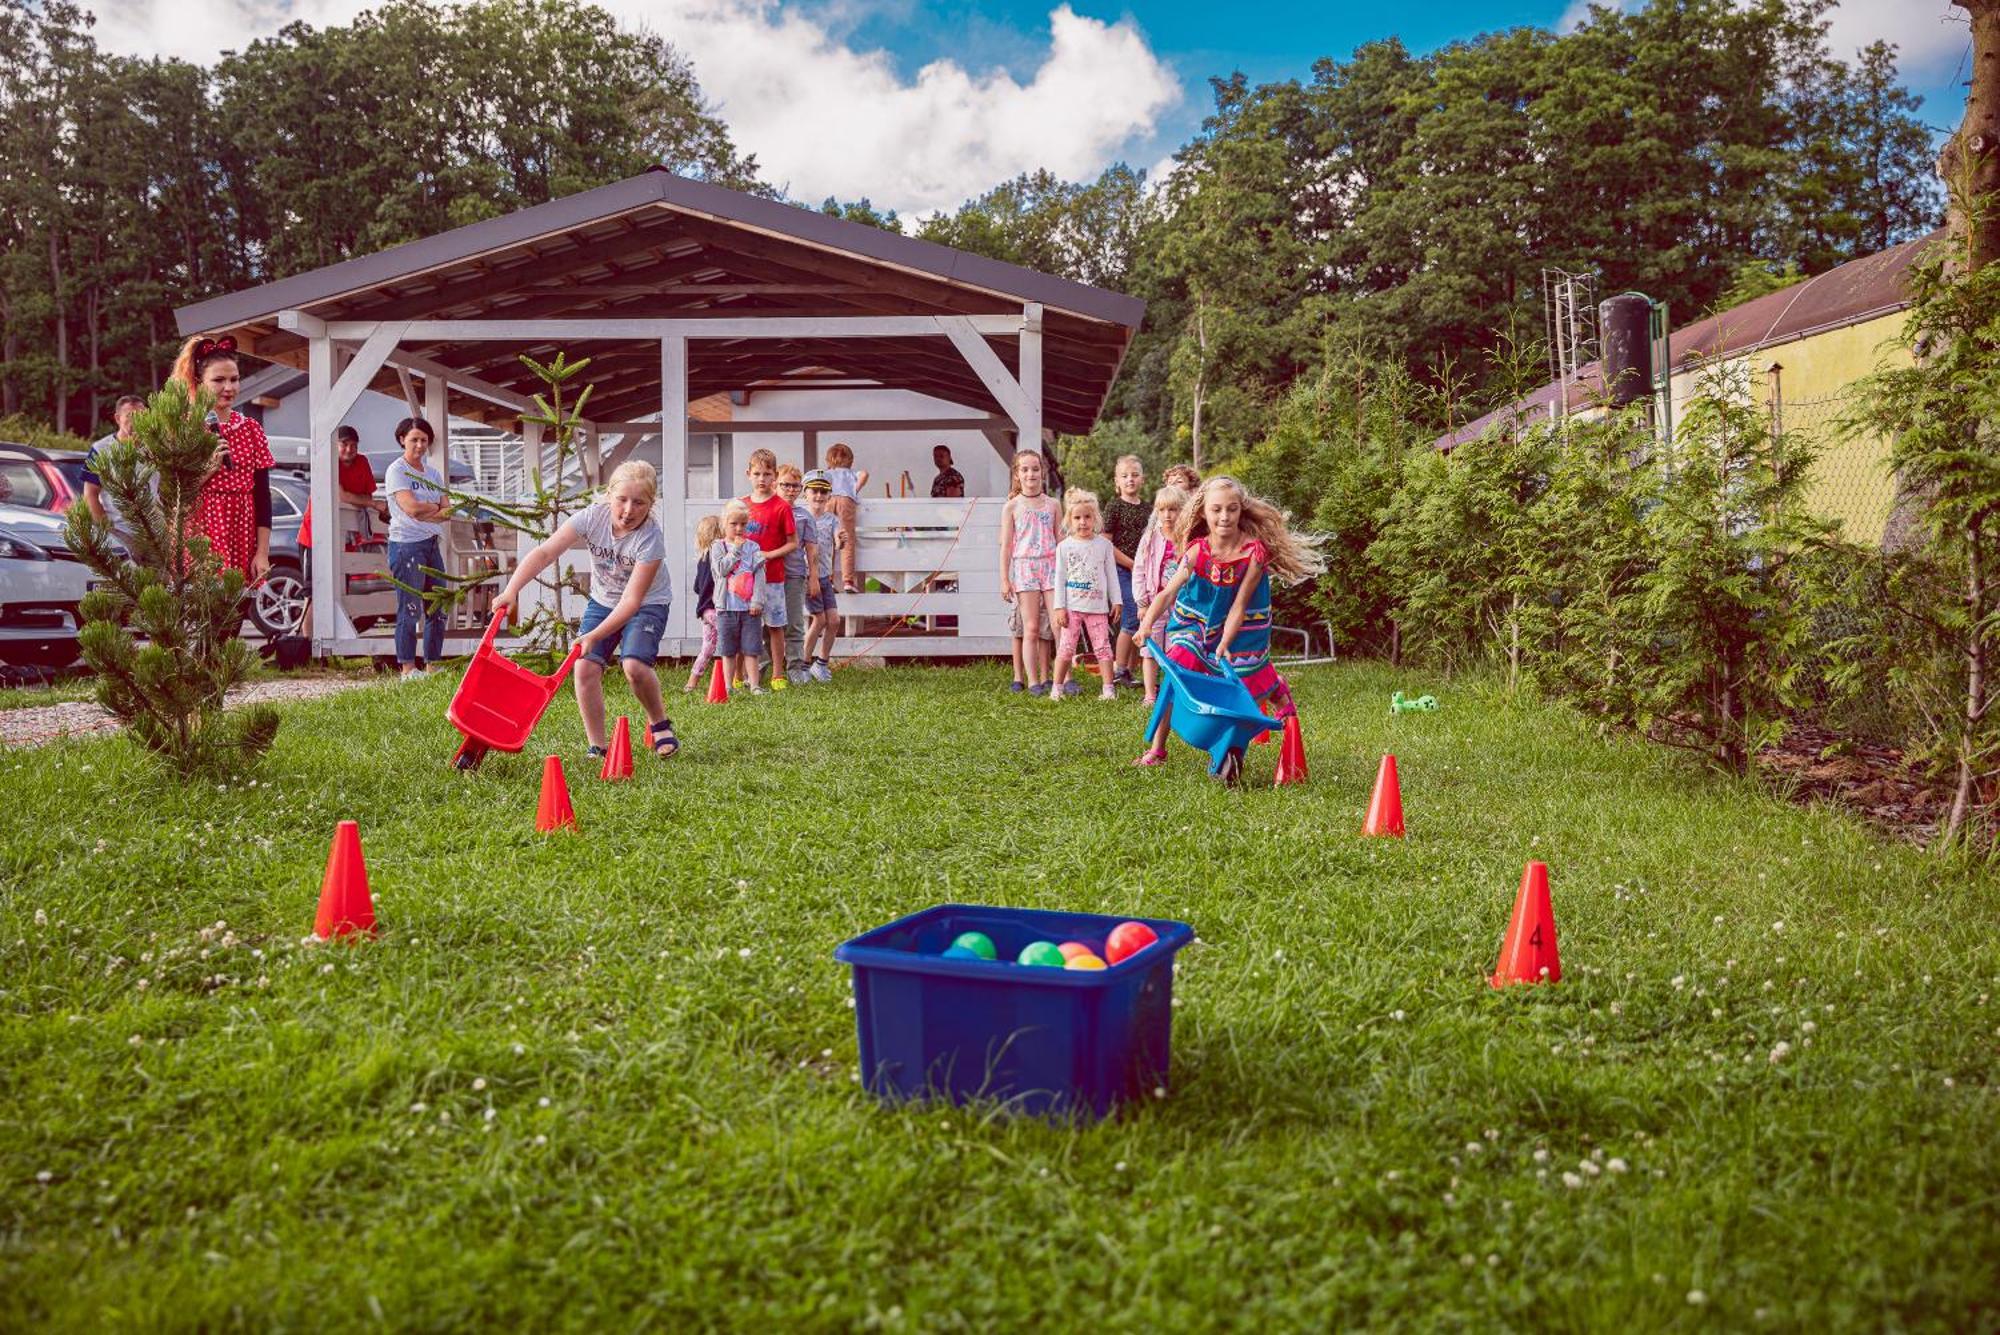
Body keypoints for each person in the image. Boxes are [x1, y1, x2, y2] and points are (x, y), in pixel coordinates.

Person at [1133, 476, 1325, 784]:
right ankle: (1158, 748)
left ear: (1241, 511)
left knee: (1244, 676)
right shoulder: (1197, 551)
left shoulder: (1254, 554)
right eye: (1216, 510)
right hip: (1194, 618)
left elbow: (1239, 605)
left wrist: (1225, 642)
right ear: (1203, 513)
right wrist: (1145, 626)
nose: (1224, 517)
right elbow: (1168, 593)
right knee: (1177, 669)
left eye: (1232, 509)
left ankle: (1275, 687)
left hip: (1243, 621)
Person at [494, 461, 679, 759]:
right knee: (584, 668)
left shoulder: (650, 539)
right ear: (609, 496)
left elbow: (632, 602)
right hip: (604, 600)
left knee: (633, 666)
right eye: (622, 500)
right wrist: (511, 590)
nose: (628, 510)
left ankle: (659, 723)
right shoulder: (593, 517)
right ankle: (598, 747)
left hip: (647, 604)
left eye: (639, 503)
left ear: (650, 504)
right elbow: (545, 552)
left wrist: (593, 635)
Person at [171, 335, 274, 586]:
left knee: (235, 615)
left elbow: (262, 494)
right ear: (199, 381)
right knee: (205, 612)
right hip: (201, 530)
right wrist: (208, 469)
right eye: (218, 380)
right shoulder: (185, 427)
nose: (228, 387)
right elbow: (172, 494)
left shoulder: (251, 428)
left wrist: (262, 552)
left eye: (234, 379)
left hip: (242, 531)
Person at [383, 416, 455, 679]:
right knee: (410, 607)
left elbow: (449, 511)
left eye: (424, 440)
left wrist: (432, 511)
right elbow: (411, 509)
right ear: (403, 439)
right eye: (414, 439)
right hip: (407, 545)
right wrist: (434, 508)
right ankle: (407, 667)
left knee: (438, 605)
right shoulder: (397, 470)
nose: (419, 445)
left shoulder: (433, 473)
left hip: (432, 544)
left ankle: (433, 664)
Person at [1049, 489, 1122, 702]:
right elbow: (1059, 578)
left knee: (1103, 647)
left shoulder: (1104, 545)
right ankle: (1057, 688)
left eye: (1087, 517)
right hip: (1071, 608)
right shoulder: (1064, 547)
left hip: (1097, 608)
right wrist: (1059, 607)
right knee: (1065, 647)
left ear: (1095, 518)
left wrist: (1116, 600)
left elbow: (1111, 575)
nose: (1083, 522)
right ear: (1070, 520)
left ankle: (1108, 689)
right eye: (1077, 517)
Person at [999, 449, 1060, 696]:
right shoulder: (1012, 506)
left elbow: (1060, 539)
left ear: (1042, 472)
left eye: (1035, 468)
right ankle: (1033, 681)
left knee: (1058, 624)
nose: (1030, 473)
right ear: (1017, 474)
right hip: (1025, 568)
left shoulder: (1053, 504)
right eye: (1024, 469)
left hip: (1051, 566)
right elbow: (1006, 545)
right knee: (1031, 628)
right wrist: (1004, 578)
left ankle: (1062, 677)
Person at [739, 449, 798, 689]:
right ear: (748, 474)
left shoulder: (781, 507)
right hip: (745, 580)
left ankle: (777, 673)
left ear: (774, 476)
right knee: (744, 626)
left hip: (773, 578)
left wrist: (768, 555)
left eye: (767, 474)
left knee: (775, 626)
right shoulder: (741, 505)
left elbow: (792, 543)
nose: (762, 479)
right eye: (757, 474)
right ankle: (743, 674)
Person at [1131, 483, 1188, 707]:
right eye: (1163, 510)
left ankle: (1173, 692)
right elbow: (1139, 569)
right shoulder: (1150, 539)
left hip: (1180, 603)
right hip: (1154, 602)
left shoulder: (1187, 538)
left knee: (1177, 649)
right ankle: (1150, 694)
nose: (1167, 515)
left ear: (1182, 511)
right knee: (1150, 649)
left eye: (1173, 510)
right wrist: (1142, 602)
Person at [709, 499, 768, 694]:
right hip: (726, 608)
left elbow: (760, 575)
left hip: (749, 608)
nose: (739, 528)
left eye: (743, 524)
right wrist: (735, 550)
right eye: (733, 524)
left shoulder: (754, 548)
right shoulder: (718, 547)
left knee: (751, 648)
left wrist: (757, 600)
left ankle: (754, 685)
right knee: (728, 649)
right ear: (724, 524)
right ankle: (728, 685)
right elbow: (720, 570)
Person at [1103, 454, 1150, 690]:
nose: (1130, 479)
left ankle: (1130, 670)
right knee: (1131, 616)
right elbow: (1106, 544)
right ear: (1117, 482)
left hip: (1144, 572)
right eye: (1124, 476)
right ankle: (1118, 669)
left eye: (1134, 475)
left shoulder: (1149, 510)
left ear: (1142, 479)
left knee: (1142, 619)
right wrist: (1132, 564)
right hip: (1122, 570)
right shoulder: (1114, 507)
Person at [80, 394, 145, 528]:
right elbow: (90, 494)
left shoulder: (156, 447)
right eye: (130, 416)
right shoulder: (100, 449)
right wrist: (107, 531)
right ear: (118, 418)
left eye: (142, 415)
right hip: (121, 531)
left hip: (156, 534)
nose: (137, 421)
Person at [801, 469, 841, 682]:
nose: (818, 496)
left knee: (834, 621)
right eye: (814, 491)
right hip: (809, 577)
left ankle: (821, 663)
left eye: (823, 492)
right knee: (819, 619)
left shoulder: (832, 519)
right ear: (805, 493)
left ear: (829, 496)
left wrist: (841, 540)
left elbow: (838, 539)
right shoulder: (801, 517)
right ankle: (803, 664)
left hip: (825, 577)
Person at [776, 464, 814, 685]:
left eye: (795, 486)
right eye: (785, 485)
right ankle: (765, 665)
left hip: (794, 575)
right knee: (767, 624)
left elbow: (811, 548)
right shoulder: (769, 510)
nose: (790, 490)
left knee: (794, 622)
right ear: (776, 484)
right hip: (769, 576)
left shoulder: (804, 516)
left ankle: (796, 666)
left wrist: (815, 576)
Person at [684, 513, 724, 693]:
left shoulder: (702, 559)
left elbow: (696, 587)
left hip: (705, 611)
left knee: (707, 647)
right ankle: (742, 678)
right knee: (737, 639)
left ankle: (692, 682)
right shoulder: (717, 559)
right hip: (717, 609)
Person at [825, 441, 869, 592]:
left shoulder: (827, 474)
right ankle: (848, 581)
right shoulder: (850, 473)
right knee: (847, 541)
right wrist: (855, 489)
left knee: (828, 539)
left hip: (829, 500)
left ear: (829, 460)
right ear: (850, 460)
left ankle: (828, 579)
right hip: (846, 501)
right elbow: (864, 474)